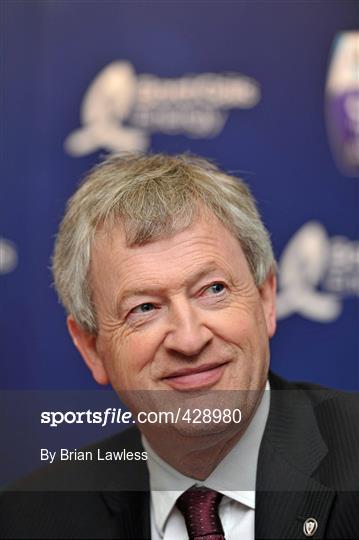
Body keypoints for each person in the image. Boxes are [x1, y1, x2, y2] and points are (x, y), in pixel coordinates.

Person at [1, 153, 358, 539]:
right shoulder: (29, 518)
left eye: (213, 289)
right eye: (144, 308)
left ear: (266, 299)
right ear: (91, 347)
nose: (189, 339)